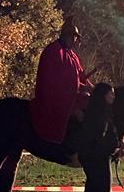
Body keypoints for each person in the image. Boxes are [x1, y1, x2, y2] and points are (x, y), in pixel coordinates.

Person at [29, 20, 95, 165]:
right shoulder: (53, 52)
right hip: (56, 100)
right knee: (78, 116)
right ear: (68, 36)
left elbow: (81, 76)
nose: (76, 41)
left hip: (72, 97)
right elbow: (56, 84)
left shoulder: (72, 55)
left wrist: (94, 90)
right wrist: (74, 107)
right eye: (75, 37)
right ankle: (67, 150)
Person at [73, 83, 120, 192]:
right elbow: (98, 142)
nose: (113, 97)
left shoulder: (96, 113)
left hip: (96, 160)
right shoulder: (99, 117)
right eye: (111, 94)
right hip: (98, 161)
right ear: (103, 95)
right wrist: (113, 148)